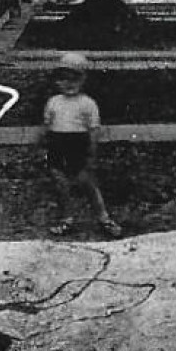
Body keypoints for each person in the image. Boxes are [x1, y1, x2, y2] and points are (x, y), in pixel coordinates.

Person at [42, 52, 123, 238]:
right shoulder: (53, 102)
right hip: (57, 145)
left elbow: (93, 129)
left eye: (75, 79)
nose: (69, 83)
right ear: (57, 81)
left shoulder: (87, 104)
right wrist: (41, 143)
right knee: (60, 183)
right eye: (64, 78)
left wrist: (91, 151)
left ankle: (104, 218)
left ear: (83, 80)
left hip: (78, 145)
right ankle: (66, 218)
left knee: (87, 182)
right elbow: (47, 125)